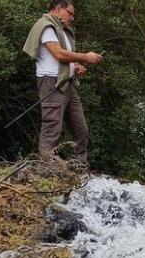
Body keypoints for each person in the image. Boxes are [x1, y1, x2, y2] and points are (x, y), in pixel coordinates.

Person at [22, 0, 103, 165]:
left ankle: (79, 167)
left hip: (68, 83)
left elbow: (63, 60)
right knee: (52, 128)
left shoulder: (61, 29)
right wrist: (85, 57)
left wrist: (75, 67)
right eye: (70, 13)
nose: (72, 17)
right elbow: (58, 54)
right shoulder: (46, 26)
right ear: (58, 8)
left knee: (81, 130)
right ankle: (47, 168)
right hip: (51, 82)